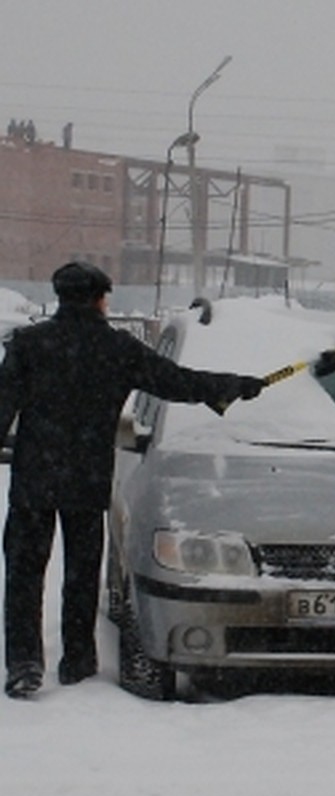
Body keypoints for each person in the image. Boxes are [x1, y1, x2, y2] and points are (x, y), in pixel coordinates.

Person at [0, 262, 266, 699]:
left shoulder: (29, 344)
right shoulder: (116, 347)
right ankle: (78, 660)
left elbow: (2, 406)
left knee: (24, 575)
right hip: (87, 480)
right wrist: (232, 386)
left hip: (35, 479)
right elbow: (176, 382)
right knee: (82, 575)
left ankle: (24, 662)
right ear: (101, 299)